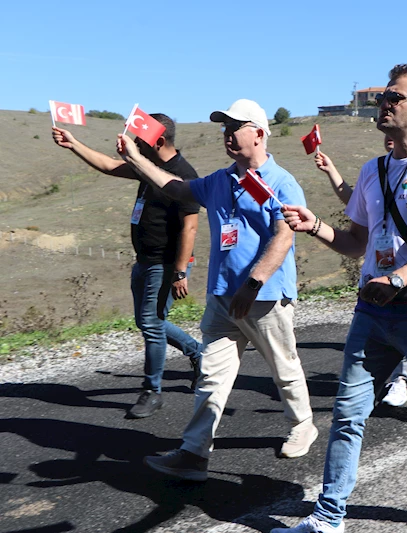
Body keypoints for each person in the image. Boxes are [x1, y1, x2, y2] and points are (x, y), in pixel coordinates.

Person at [273, 64, 407, 533]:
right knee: (347, 413)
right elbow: (356, 241)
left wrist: (399, 278)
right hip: (371, 312)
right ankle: (329, 515)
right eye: (384, 95)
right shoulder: (372, 169)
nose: (385, 102)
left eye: (395, 97)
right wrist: (313, 225)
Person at [116, 99, 317, 481]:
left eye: (235, 126)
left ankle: (302, 424)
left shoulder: (281, 182)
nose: (227, 133)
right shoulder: (221, 181)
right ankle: (194, 453)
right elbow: (175, 187)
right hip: (223, 295)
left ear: (258, 133)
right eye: (224, 127)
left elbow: (283, 236)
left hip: (265, 295)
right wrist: (137, 160)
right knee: (211, 375)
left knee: (283, 367)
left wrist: (253, 284)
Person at [51, 116, 202, 419]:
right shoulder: (146, 167)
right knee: (149, 322)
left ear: (158, 142)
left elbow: (191, 227)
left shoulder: (183, 175)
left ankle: (153, 391)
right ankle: (197, 352)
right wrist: (73, 144)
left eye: (140, 140)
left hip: (165, 263)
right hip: (144, 259)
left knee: (150, 322)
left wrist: (180, 271)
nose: (135, 145)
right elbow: (108, 165)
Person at [315, 135, 407, 407]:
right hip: (377, 267)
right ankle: (386, 382)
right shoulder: (375, 171)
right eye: (386, 137)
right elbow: (354, 202)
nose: (389, 140)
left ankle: (402, 381)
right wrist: (331, 170)